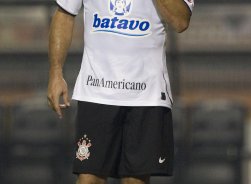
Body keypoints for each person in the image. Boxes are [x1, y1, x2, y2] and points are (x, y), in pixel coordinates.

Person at [47, 0, 194, 183]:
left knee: (135, 180)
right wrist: (55, 72)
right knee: (89, 178)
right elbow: (65, 14)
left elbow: (181, 21)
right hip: (97, 90)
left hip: (147, 94)